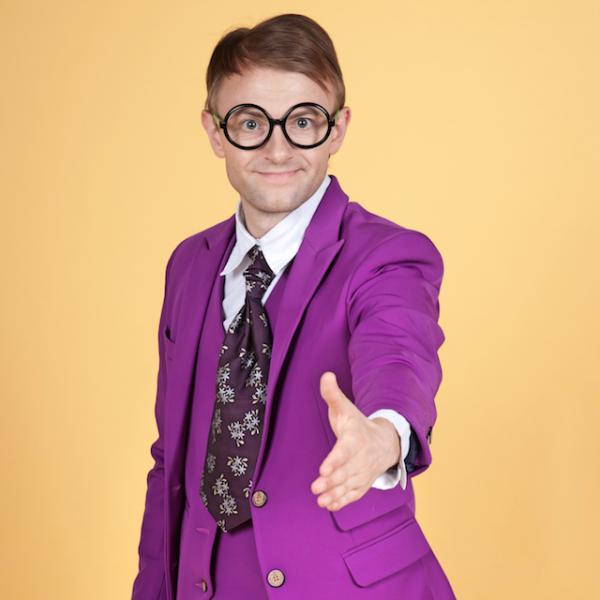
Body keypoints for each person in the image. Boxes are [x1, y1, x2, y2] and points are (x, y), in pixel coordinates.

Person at [132, 13, 456, 600]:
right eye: (250, 122)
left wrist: (385, 436)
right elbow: (169, 459)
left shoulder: (386, 256)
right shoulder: (188, 266)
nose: (278, 148)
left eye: (303, 121)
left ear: (337, 129)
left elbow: (399, 351)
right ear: (214, 131)